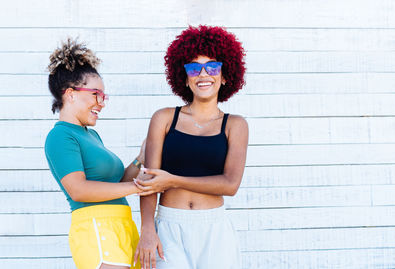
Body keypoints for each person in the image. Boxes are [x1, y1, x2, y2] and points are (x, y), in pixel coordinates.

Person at [134, 25, 248, 269]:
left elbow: (230, 185)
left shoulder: (235, 125)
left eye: (213, 67)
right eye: (194, 68)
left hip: (214, 231)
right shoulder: (163, 118)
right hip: (168, 228)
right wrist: (147, 230)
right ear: (185, 78)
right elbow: (149, 181)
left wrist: (172, 180)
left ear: (225, 75)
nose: (203, 74)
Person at [44, 38, 143, 269]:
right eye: (96, 94)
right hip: (96, 228)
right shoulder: (60, 137)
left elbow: (114, 185)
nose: (102, 103)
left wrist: (141, 157)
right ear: (70, 94)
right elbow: (79, 190)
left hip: (120, 224)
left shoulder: (91, 136)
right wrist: (140, 187)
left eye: (104, 96)